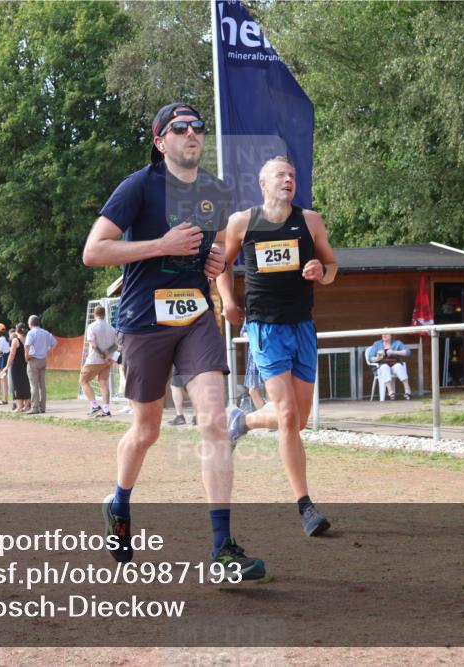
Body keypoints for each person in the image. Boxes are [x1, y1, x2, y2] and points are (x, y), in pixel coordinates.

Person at [83, 101, 264, 579]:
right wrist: (160, 246)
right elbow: (93, 250)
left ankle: (222, 549)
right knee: (147, 431)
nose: (192, 134)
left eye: (198, 127)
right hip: (144, 320)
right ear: (161, 141)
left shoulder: (216, 190)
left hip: (196, 317)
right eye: (180, 128)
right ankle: (119, 504)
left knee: (214, 421)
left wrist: (218, 263)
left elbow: (220, 247)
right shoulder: (139, 187)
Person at [217, 155, 338, 537]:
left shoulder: (310, 221)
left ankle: (242, 420)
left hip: (302, 326)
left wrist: (321, 272)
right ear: (263, 184)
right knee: (287, 417)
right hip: (264, 327)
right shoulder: (242, 222)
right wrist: (228, 301)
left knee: (298, 421)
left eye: (292, 175)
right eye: (281, 175)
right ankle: (306, 506)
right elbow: (222, 264)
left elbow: (332, 266)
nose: (288, 179)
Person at [80, 305, 115, 418]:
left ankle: (95, 406)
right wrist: (107, 355)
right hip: (107, 361)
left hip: (94, 360)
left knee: (83, 381)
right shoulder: (111, 328)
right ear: (104, 314)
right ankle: (106, 409)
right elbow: (115, 345)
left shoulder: (92, 326)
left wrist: (102, 355)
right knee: (103, 383)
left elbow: (93, 345)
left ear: (94, 314)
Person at [24, 315, 57, 415]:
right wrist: (47, 351)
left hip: (33, 360)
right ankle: (42, 407)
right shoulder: (46, 333)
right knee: (42, 385)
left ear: (30, 323)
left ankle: (34, 407)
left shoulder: (31, 333)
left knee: (33, 385)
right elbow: (55, 342)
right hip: (43, 359)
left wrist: (26, 356)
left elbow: (27, 345)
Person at [365, 333, 412, 400]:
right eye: (383, 334)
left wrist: (394, 352)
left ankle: (407, 389)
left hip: (394, 364)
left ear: (391, 336)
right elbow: (370, 358)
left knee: (398, 366)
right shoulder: (377, 344)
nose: (384, 335)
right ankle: (390, 391)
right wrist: (377, 358)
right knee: (385, 367)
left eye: (386, 334)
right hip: (382, 365)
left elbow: (408, 352)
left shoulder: (397, 343)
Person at [241, 324, 266, 411]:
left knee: (273, 392)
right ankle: (267, 417)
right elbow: (243, 332)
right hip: (256, 353)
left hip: (270, 352)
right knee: (253, 391)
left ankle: (273, 417)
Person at [8, 322, 31, 412]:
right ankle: (27, 406)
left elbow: (12, 355)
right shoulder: (27, 339)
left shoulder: (15, 340)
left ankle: (19, 406)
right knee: (26, 384)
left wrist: (7, 366)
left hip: (16, 366)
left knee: (17, 385)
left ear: (16, 330)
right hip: (26, 364)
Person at [0, 323, 11, 405]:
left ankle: (0, 399)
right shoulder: (7, 339)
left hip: (1, 361)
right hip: (3, 360)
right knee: (2, 380)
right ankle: (2, 399)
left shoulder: (1, 339)